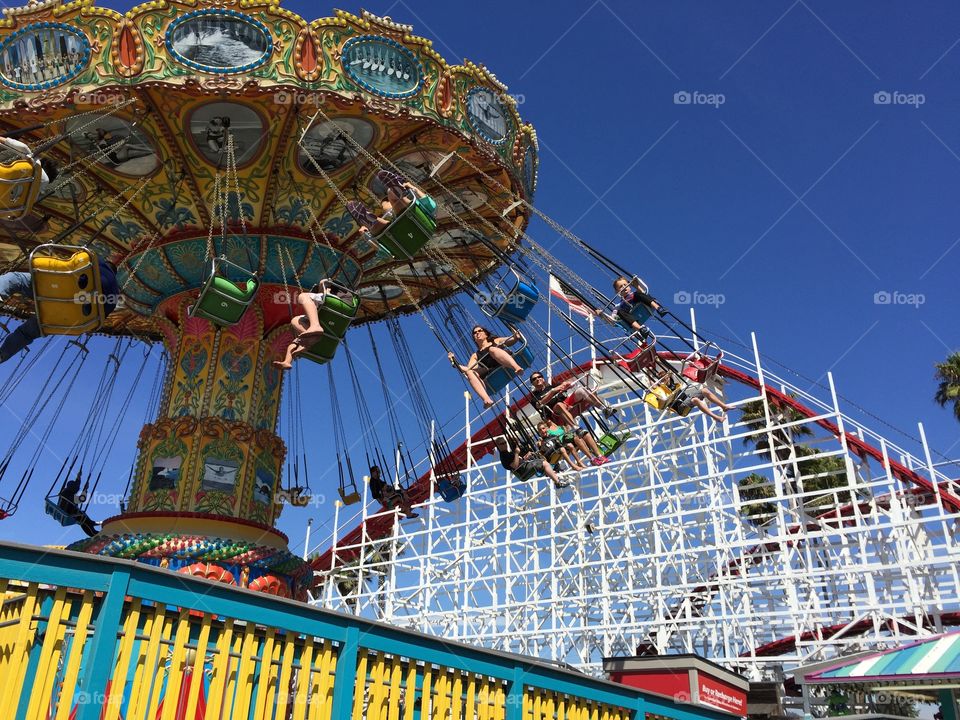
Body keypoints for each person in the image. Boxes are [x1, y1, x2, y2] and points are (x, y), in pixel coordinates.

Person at [0, 254, 120, 363]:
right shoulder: (114, 297)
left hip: (57, 290)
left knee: (16, 279)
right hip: (63, 317)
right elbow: (96, 323)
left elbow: (74, 261)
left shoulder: (97, 260)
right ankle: (3, 355)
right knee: (26, 333)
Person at [272, 280, 342, 370]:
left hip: (330, 301)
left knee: (303, 297)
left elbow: (323, 282)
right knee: (294, 331)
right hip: (326, 329)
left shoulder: (329, 294)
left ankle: (315, 327)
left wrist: (323, 285)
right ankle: (287, 361)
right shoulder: (321, 309)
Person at [448, 325, 524, 408]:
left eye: (479, 331)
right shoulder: (475, 355)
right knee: (469, 372)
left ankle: (516, 368)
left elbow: (512, 340)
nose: (477, 333)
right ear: (474, 339)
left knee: (492, 349)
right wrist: (455, 363)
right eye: (475, 333)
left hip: (503, 361)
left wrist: (514, 332)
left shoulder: (496, 341)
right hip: (491, 370)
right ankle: (486, 399)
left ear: (486, 334)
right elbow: (468, 369)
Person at [529, 370, 617, 427]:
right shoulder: (534, 396)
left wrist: (567, 384)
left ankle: (604, 409)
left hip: (567, 404)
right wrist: (552, 392)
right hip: (556, 414)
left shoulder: (553, 386)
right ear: (532, 383)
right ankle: (576, 427)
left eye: (539, 377)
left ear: (543, 378)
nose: (537, 379)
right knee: (559, 405)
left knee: (581, 390)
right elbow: (539, 404)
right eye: (534, 379)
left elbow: (565, 384)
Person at [596, 276, 666, 335]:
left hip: (644, 305)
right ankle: (641, 329)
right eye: (621, 287)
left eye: (625, 285)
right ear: (617, 292)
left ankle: (659, 308)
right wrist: (602, 315)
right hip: (631, 316)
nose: (624, 287)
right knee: (620, 312)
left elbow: (643, 293)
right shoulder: (618, 305)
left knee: (639, 294)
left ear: (629, 286)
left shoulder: (635, 294)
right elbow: (613, 320)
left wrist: (636, 284)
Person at [493, 436, 569, 490]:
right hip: (523, 472)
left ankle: (554, 474)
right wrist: (516, 453)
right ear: (498, 446)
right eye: (502, 444)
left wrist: (525, 457)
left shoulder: (508, 453)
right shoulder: (504, 456)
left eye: (505, 442)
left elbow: (520, 462)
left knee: (541, 458)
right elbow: (515, 466)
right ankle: (558, 482)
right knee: (543, 463)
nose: (504, 444)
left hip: (524, 467)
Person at [539, 419, 609, 467]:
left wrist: (567, 426)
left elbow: (567, 430)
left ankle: (599, 456)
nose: (542, 430)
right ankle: (592, 459)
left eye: (543, 428)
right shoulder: (546, 436)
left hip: (569, 439)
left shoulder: (559, 426)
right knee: (576, 438)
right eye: (540, 430)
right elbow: (543, 447)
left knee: (585, 434)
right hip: (562, 445)